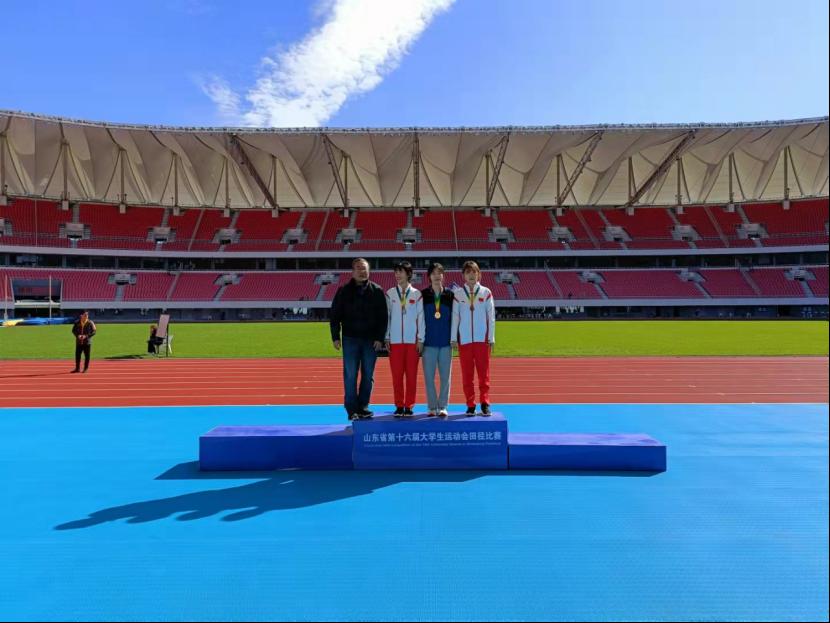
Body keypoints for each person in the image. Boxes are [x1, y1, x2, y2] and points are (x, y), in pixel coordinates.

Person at [330, 258, 388, 421]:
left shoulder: (377, 291)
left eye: (364, 268)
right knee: (350, 375)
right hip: (350, 339)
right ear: (353, 271)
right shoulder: (343, 291)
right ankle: (351, 409)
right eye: (359, 268)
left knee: (368, 375)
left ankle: (363, 406)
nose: (362, 271)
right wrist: (335, 336)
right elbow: (335, 314)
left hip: (371, 340)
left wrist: (380, 338)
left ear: (369, 271)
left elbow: (383, 317)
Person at [451, 261, 496, 415]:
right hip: (464, 341)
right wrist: (453, 338)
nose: (471, 275)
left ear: (479, 275)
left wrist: (491, 338)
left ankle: (485, 403)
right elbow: (455, 317)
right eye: (468, 272)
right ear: (463, 275)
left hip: (482, 340)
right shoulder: (458, 294)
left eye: (474, 272)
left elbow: (491, 317)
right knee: (467, 375)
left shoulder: (486, 292)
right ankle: (470, 404)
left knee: (484, 374)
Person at [384, 261, 424, 417]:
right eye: (396, 272)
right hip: (395, 342)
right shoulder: (390, 294)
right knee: (397, 376)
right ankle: (399, 405)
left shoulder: (417, 294)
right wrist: (387, 336)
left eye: (401, 272)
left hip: (412, 342)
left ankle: (409, 406)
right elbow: (387, 317)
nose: (397, 275)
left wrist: (420, 339)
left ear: (408, 274)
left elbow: (421, 318)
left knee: (412, 376)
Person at [421, 262, 454, 417]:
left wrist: (454, 338)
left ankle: (443, 406)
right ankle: (432, 406)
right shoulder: (423, 295)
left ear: (443, 276)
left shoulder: (450, 295)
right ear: (429, 276)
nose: (436, 276)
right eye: (433, 273)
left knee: (445, 378)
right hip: (428, 343)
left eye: (439, 273)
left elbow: (455, 318)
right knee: (429, 377)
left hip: (446, 343)